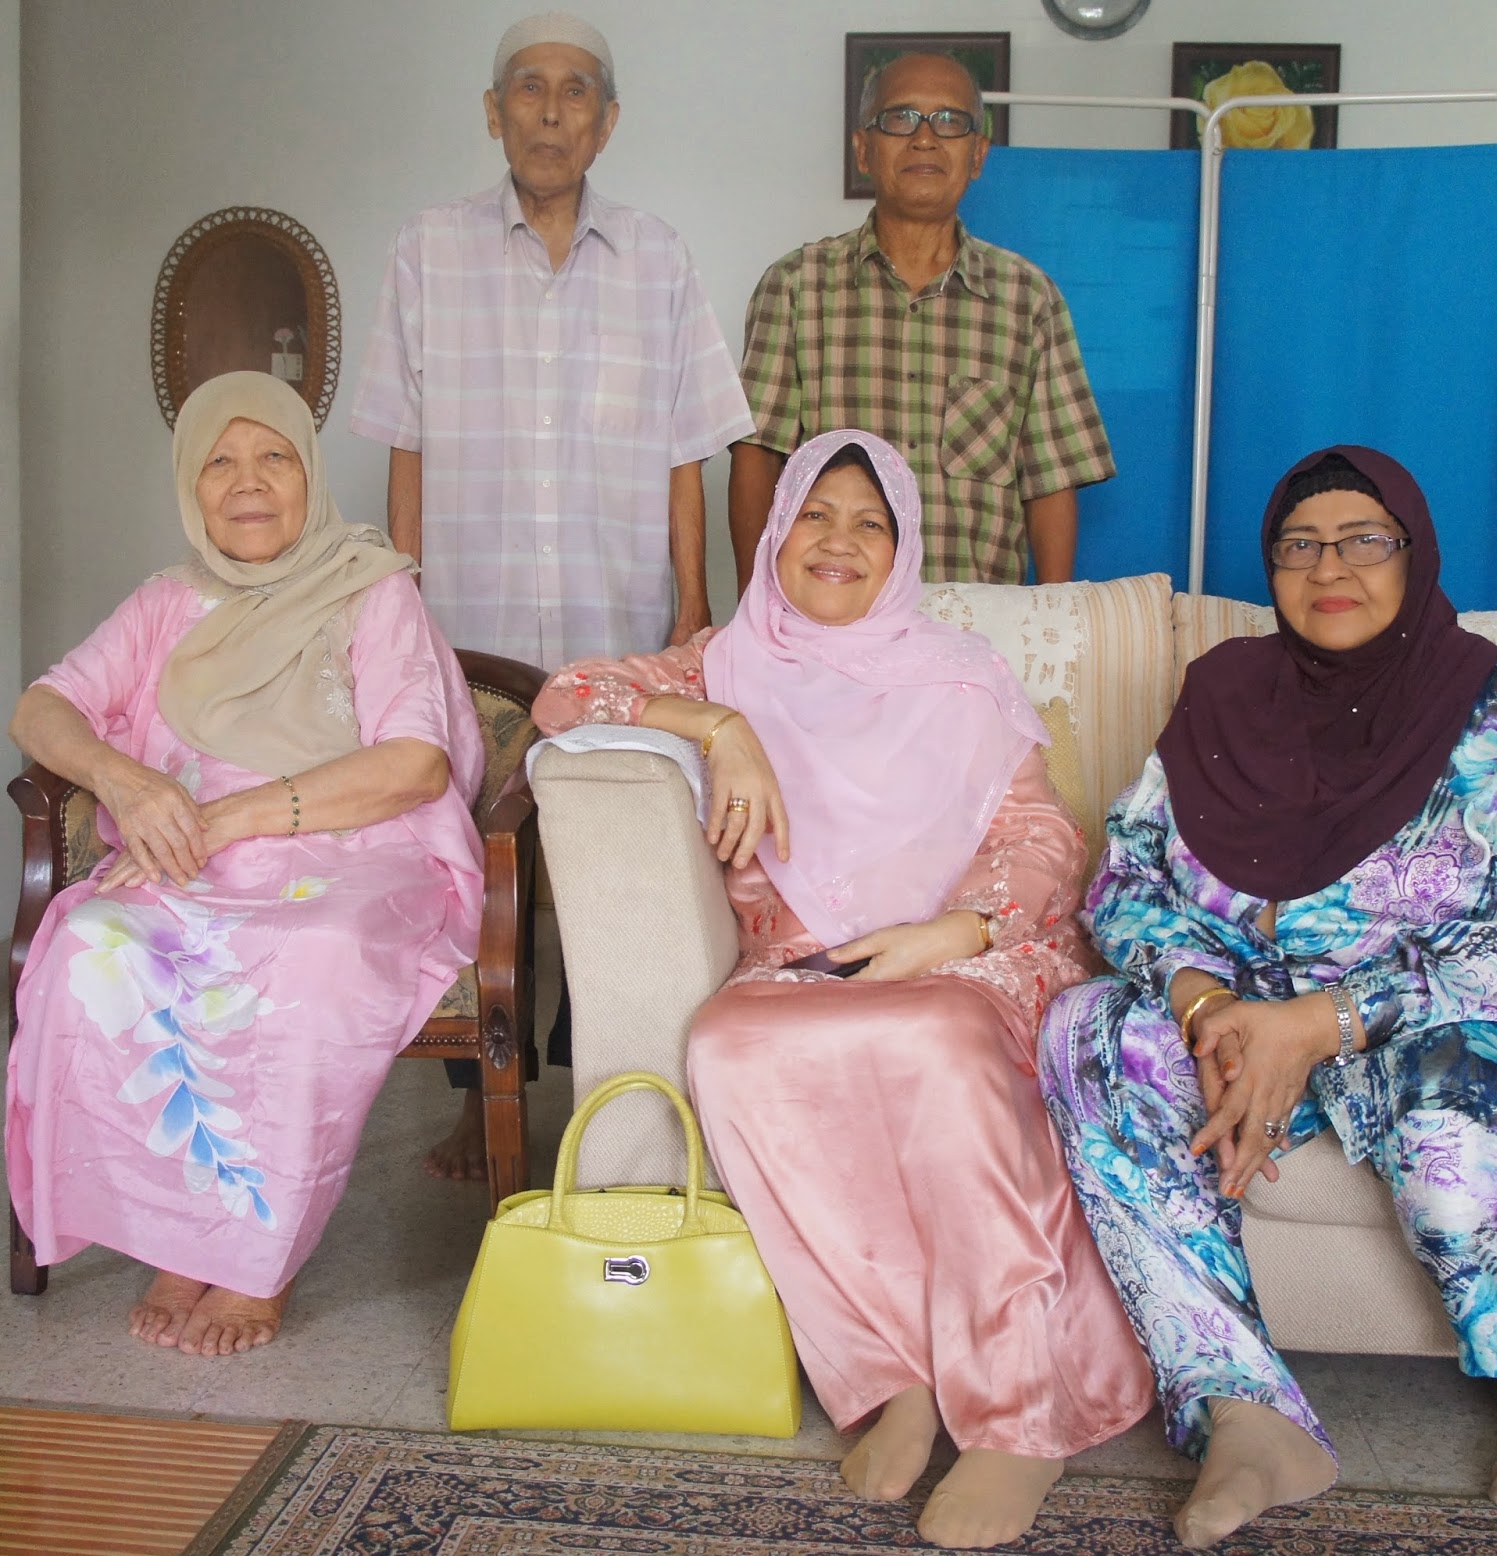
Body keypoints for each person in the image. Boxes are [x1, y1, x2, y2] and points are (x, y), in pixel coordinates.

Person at [533, 429, 1153, 1550]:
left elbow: (1044, 835)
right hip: (801, 966)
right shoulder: (725, 662)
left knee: (937, 1040)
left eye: (871, 522)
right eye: (816, 515)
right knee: (728, 1047)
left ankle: (1019, 1412)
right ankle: (893, 1375)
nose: (839, 540)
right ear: (775, 536)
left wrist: (950, 931)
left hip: (960, 953)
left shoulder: (958, 674)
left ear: (902, 550)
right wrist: (718, 725)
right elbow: (565, 695)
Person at [1037, 446, 1497, 1548]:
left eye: (1362, 540)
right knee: (1088, 1030)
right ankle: (1247, 1414)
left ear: (1414, 552)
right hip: (1245, 1012)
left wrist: (1323, 1021)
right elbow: (1128, 880)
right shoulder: (1225, 691)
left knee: (1446, 1105)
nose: (1327, 567)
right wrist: (1207, 1009)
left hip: (1434, 1019)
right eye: (1298, 545)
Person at [7, 371, 485, 1358]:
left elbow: (415, 764)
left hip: (356, 853)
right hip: (193, 856)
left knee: (311, 950)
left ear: (310, 473)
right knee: (94, 938)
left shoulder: (372, 589)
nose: (249, 481)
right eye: (219, 461)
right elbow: (41, 706)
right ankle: (180, 1234)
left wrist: (227, 819)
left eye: (274, 455)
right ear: (192, 484)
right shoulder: (165, 601)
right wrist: (125, 780)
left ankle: (254, 1257)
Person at [349, 11, 752, 1175]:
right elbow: (406, 444)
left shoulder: (659, 257)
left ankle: (596, 1102)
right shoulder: (428, 249)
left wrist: (689, 608)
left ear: (607, 122)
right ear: (494, 113)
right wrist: (402, 607)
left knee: (608, 861)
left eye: (577, 91)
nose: (551, 110)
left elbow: (687, 452)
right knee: (475, 860)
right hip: (466, 624)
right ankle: (481, 1106)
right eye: (529, 88)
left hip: (613, 629)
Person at [729, 50, 1112, 595]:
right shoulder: (796, 286)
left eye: (950, 121)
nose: (925, 139)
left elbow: (1051, 481)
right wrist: (757, 607)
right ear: (864, 150)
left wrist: (1053, 614)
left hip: (976, 621)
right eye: (900, 118)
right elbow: (757, 457)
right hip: (830, 618)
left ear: (978, 155)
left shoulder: (1027, 298)